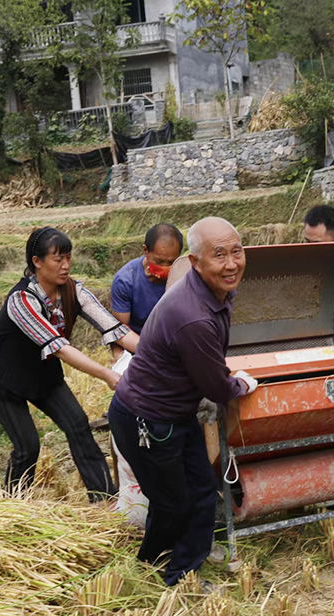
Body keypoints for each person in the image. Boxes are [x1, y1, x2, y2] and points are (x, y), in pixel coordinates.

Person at [106, 217, 259, 585]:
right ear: (195, 262)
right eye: (218, 255)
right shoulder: (193, 316)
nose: (231, 263)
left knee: (202, 491)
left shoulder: (209, 290)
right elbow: (216, 386)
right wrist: (239, 385)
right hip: (147, 421)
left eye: (236, 252)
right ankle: (170, 574)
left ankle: (183, 560)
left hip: (173, 415)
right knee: (174, 501)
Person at [0, 227, 139, 502]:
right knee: (27, 445)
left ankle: (104, 499)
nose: (65, 266)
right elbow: (60, 348)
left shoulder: (73, 292)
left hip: (41, 371)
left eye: (68, 258)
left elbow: (115, 329)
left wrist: (157, 356)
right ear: (37, 262)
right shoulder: (22, 300)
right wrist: (106, 374)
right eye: (57, 259)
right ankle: (14, 506)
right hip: (2, 375)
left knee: (78, 424)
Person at [110, 223, 184, 334]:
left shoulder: (185, 276)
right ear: (146, 251)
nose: (164, 267)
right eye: (159, 261)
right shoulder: (125, 281)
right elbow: (121, 332)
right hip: (137, 342)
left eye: (171, 262)